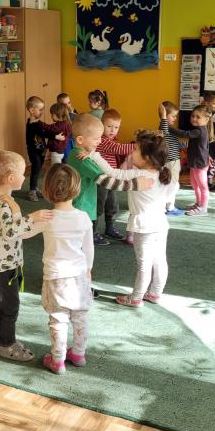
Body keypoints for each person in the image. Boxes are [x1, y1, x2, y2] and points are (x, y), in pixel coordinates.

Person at [0, 151, 54, 361]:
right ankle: (7, 345)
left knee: (2, 303)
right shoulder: (2, 203)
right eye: (22, 173)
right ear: (10, 177)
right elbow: (11, 231)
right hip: (3, 267)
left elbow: (13, 226)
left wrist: (24, 215)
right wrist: (33, 217)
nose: (25, 177)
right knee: (10, 307)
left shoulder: (3, 199)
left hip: (2, 263)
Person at [40, 164, 94, 375]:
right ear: (76, 189)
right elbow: (88, 247)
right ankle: (78, 354)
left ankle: (58, 360)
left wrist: (31, 217)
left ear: (47, 189)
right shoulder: (83, 217)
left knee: (58, 319)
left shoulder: (46, 218)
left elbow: (23, 232)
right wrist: (88, 269)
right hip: (79, 275)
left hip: (56, 277)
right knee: (80, 317)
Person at [67, 114, 154, 234]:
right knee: (81, 236)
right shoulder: (83, 159)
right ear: (80, 140)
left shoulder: (75, 153)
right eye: (96, 139)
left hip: (82, 202)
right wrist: (135, 185)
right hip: (83, 205)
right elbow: (106, 181)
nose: (99, 141)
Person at [115, 131, 172, 307]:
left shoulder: (136, 175)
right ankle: (155, 293)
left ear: (146, 157)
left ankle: (136, 298)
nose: (131, 152)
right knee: (159, 260)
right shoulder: (162, 173)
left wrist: (94, 157)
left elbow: (112, 173)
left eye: (135, 149)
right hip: (160, 224)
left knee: (144, 265)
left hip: (144, 226)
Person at [93, 107, 135, 244]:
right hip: (101, 180)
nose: (113, 130)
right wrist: (138, 146)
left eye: (116, 127)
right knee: (98, 206)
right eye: (109, 126)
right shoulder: (102, 140)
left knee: (112, 205)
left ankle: (109, 228)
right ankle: (92, 232)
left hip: (111, 180)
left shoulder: (111, 140)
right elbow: (119, 149)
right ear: (101, 126)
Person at [165, 104, 211, 216]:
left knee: (202, 186)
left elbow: (184, 134)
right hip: (195, 163)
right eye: (193, 116)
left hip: (199, 164)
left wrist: (169, 128)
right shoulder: (198, 130)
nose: (194, 119)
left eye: (198, 117)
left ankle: (203, 208)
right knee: (195, 184)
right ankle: (199, 203)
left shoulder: (200, 130)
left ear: (206, 119)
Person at [158, 100, 184, 215]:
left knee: (171, 183)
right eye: (173, 116)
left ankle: (169, 206)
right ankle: (164, 206)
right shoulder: (164, 127)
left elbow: (175, 144)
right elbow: (163, 129)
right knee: (173, 184)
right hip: (171, 161)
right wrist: (163, 116)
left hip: (173, 161)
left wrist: (189, 144)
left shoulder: (170, 129)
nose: (175, 118)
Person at [25, 95, 47, 201]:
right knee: (35, 169)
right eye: (40, 109)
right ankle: (32, 190)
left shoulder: (38, 123)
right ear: (32, 110)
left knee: (38, 170)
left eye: (43, 109)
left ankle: (35, 187)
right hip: (34, 151)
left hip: (41, 150)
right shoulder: (32, 124)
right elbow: (44, 133)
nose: (42, 112)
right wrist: (54, 135)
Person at [202, 92, 215, 191]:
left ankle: (209, 181)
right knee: (209, 163)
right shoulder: (205, 115)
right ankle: (207, 182)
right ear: (206, 103)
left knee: (214, 162)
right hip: (208, 143)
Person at [57, 92, 76, 161]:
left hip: (73, 141)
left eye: (69, 102)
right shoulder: (60, 115)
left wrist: (72, 114)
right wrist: (71, 114)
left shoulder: (73, 113)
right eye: (65, 104)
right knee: (66, 159)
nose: (68, 106)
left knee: (73, 158)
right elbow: (68, 125)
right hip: (65, 142)